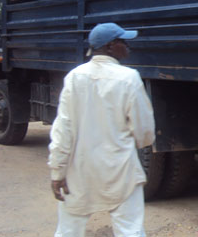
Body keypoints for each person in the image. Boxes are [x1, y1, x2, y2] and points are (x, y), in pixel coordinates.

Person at [48, 22, 155, 237]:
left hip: (79, 171)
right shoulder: (129, 78)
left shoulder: (74, 78)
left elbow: (63, 130)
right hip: (120, 171)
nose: (127, 46)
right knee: (130, 230)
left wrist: (57, 172)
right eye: (123, 42)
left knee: (68, 230)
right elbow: (144, 133)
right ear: (110, 46)